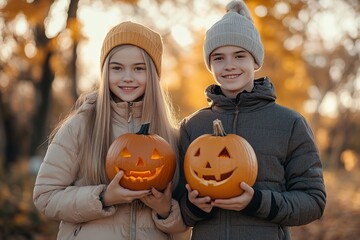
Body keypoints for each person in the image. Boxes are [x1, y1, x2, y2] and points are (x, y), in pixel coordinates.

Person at [176, 1, 326, 239]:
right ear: (210, 64)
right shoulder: (191, 126)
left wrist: (257, 202)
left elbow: (313, 202)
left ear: (255, 61)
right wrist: (194, 207)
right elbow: (177, 207)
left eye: (239, 55)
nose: (229, 66)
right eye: (218, 58)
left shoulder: (289, 123)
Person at [33, 21, 190, 240]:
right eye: (117, 68)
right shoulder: (81, 126)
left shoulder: (172, 137)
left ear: (153, 75)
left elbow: (186, 226)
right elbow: (45, 196)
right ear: (105, 71)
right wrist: (104, 197)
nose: (127, 77)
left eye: (138, 68)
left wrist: (166, 211)